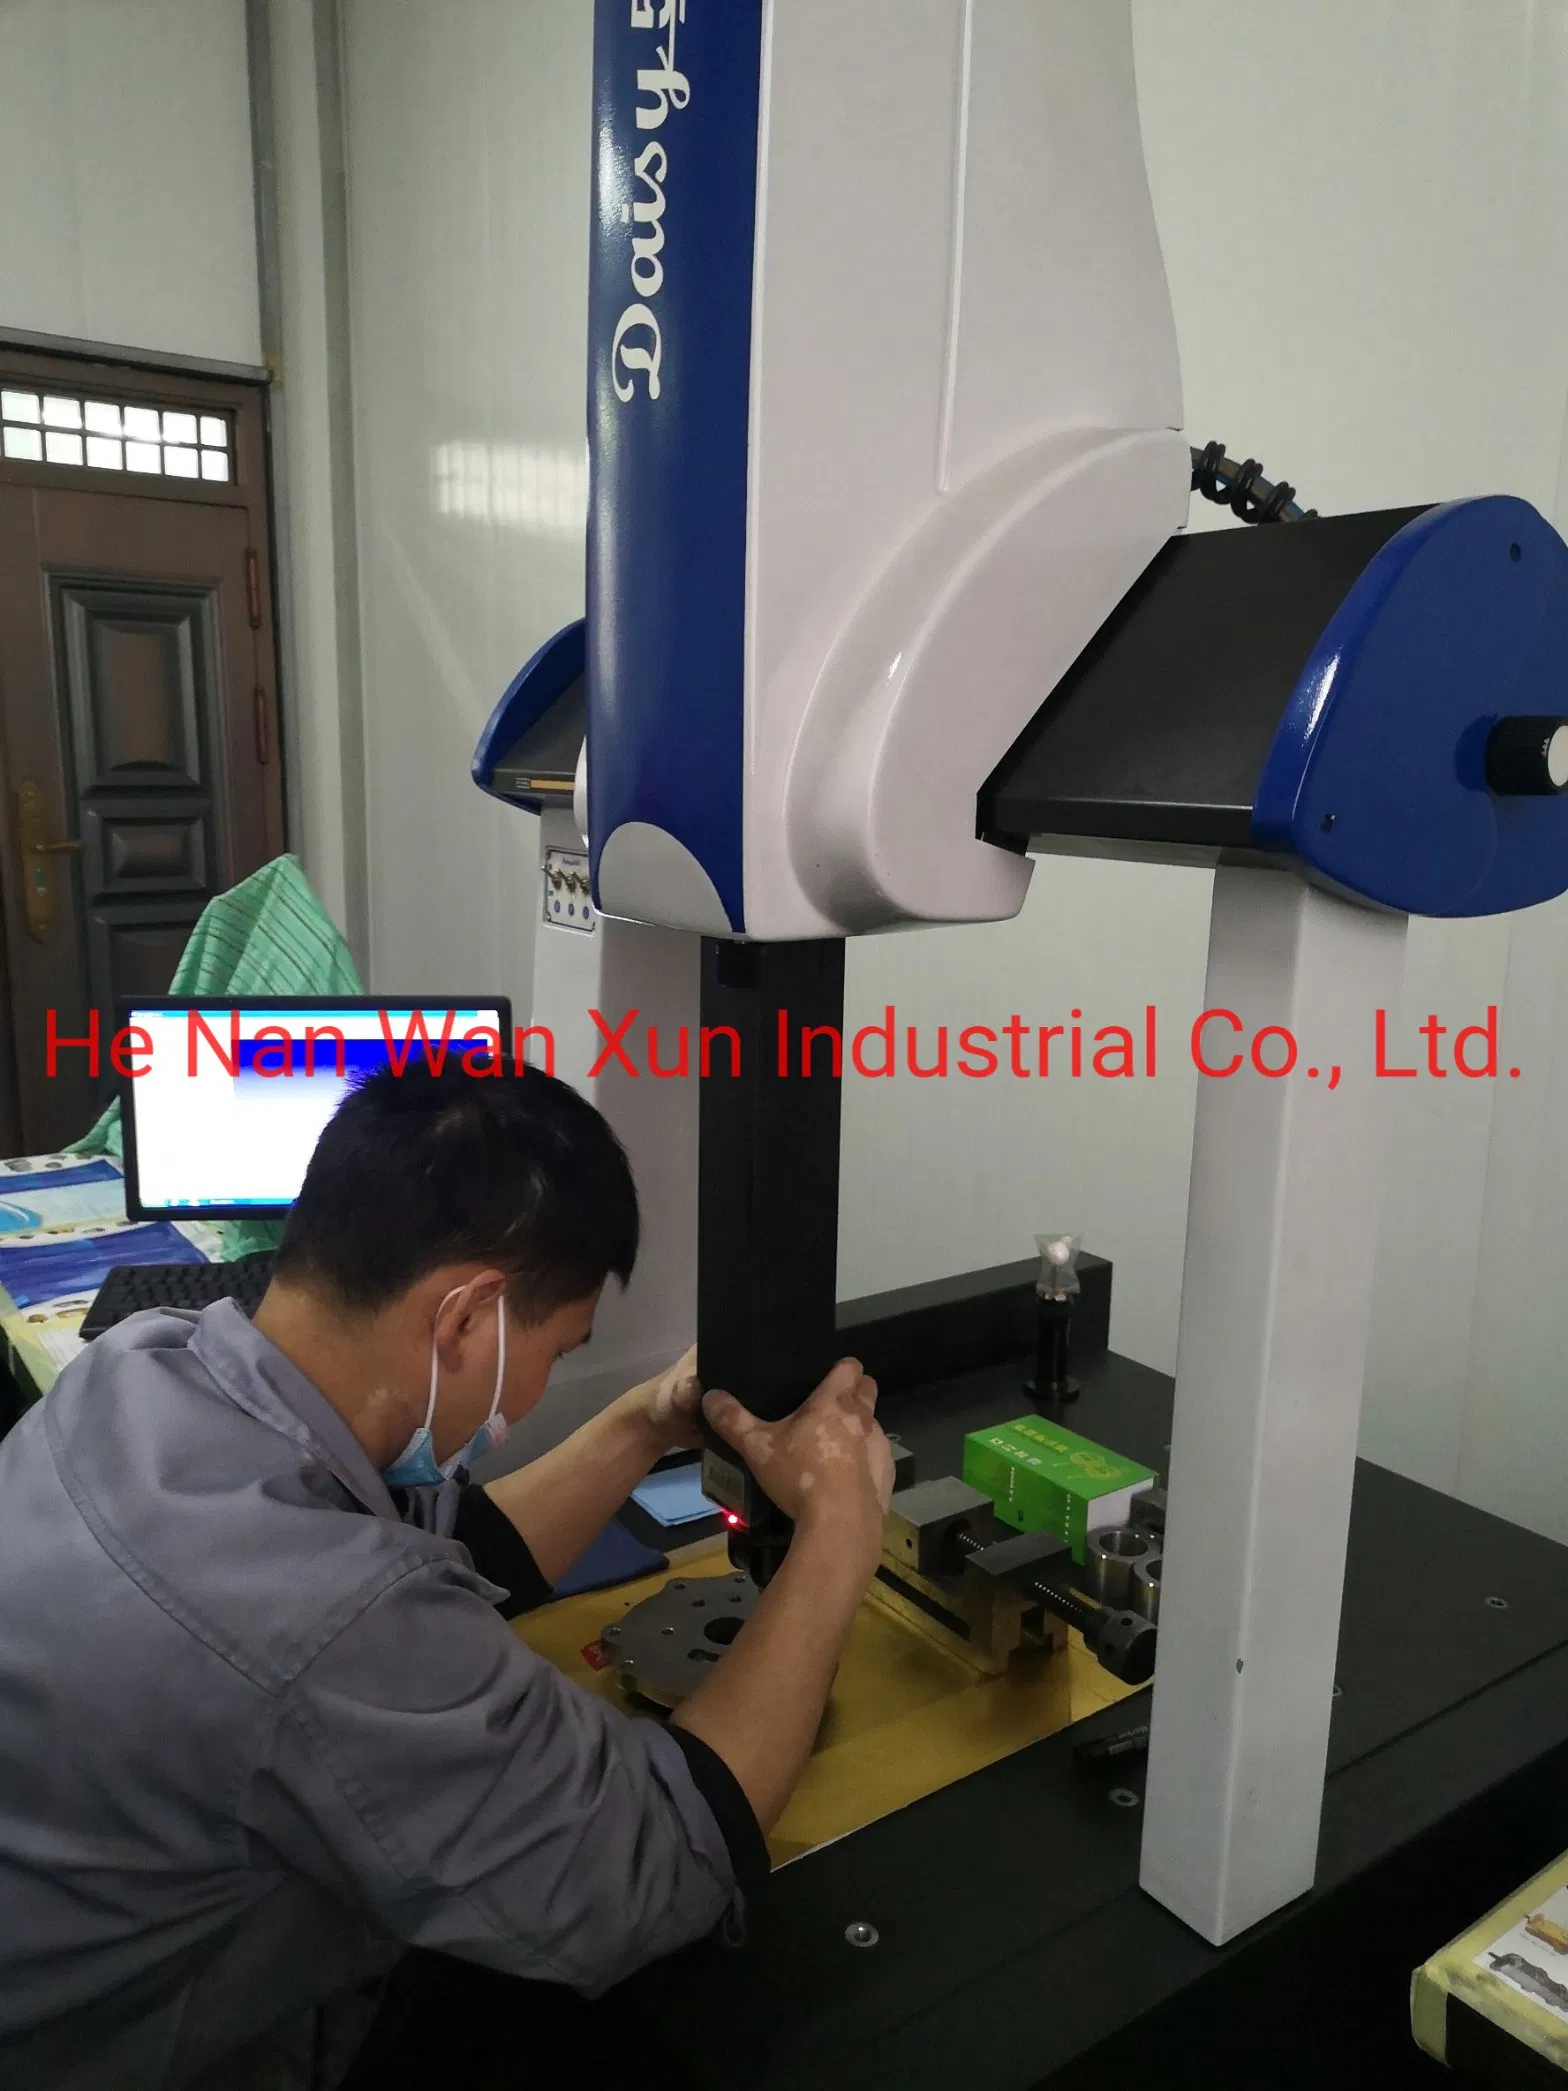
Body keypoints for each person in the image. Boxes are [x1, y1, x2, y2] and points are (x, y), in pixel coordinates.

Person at [0, 1059, 894, 2090]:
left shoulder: (143, 1363)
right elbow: (662, 1863)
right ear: (464, 1318)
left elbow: (441, 1551)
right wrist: (840, 1526)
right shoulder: (321, 1617)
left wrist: (644, 1422)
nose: (544, 1381)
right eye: (559, 1350)